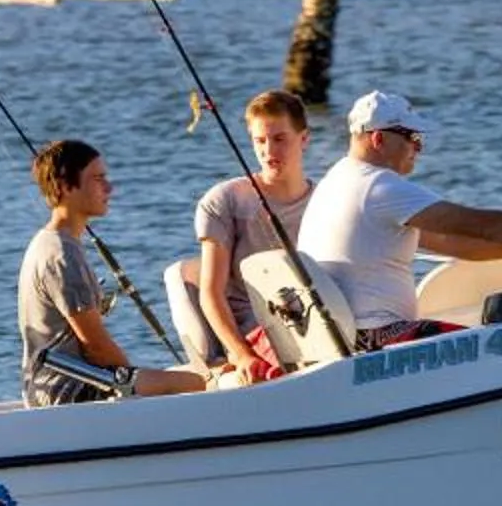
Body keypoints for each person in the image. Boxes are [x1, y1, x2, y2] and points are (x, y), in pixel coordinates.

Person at [296, 90, 502, 350]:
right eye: (411, 137)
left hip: (348, 338)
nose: (417, 148)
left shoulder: (336, 180)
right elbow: (478, 223)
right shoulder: (378, 186)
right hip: (380, 339)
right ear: (378, 139)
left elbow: (448, 241)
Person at [19, 139, 206, 405]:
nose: (109, 187)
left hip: (56, 383)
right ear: (64, 186)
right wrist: (134, 382)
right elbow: (96, 348)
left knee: (188, 374)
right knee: (201, 383)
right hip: (68, 390)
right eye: (97, 179)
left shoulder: (47, 242)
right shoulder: (62, 254)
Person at [189, 89, 315, 379]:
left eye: (280, 139)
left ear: (304, 139)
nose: (269, 151)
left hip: (319, 321)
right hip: (257, 329)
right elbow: (211, 292)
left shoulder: (327, 199)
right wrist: (242, 354)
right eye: (260, 141)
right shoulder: (224, 201)